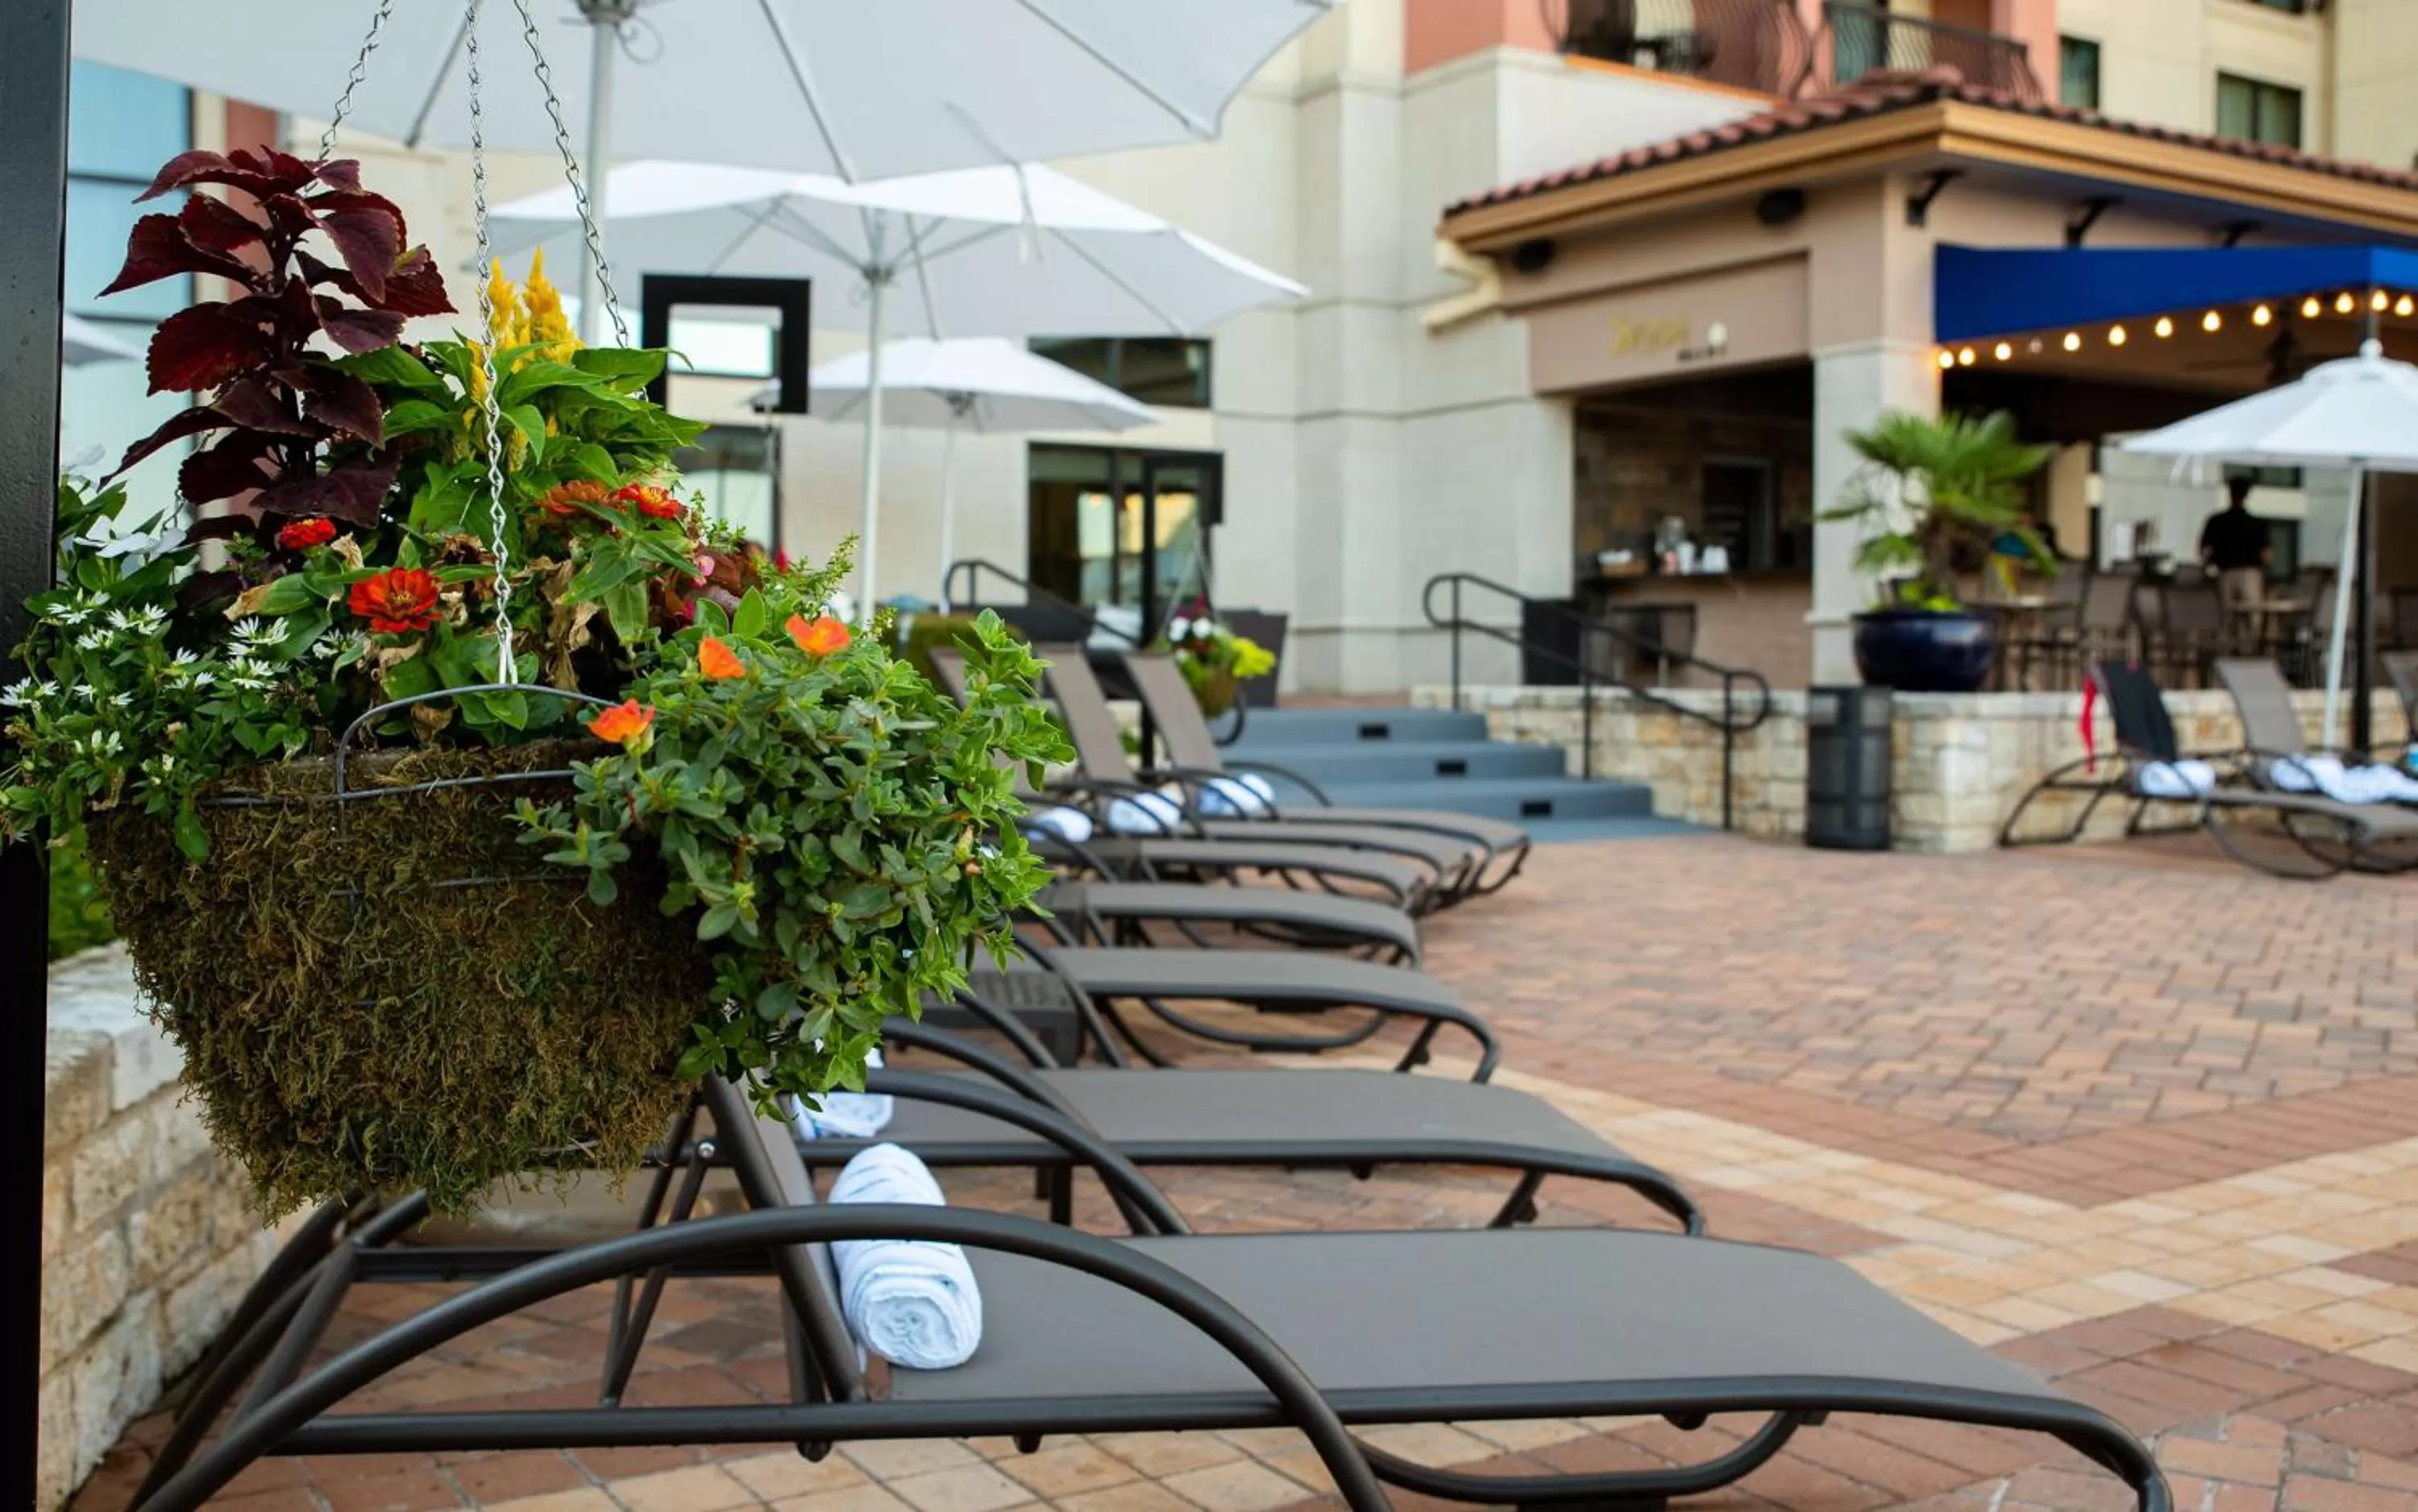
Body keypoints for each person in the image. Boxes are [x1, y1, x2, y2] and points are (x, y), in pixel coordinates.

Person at [2199, 477, 2271, 614]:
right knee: (2252, 613)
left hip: (2226, 571)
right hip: (2250, 572)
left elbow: (2204, 550)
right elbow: (2266, 554)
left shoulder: (2217, 521)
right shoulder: (2257, 524)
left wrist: (2205, 569)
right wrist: (2266, 574)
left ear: (2230, 493)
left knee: (2227, 614)